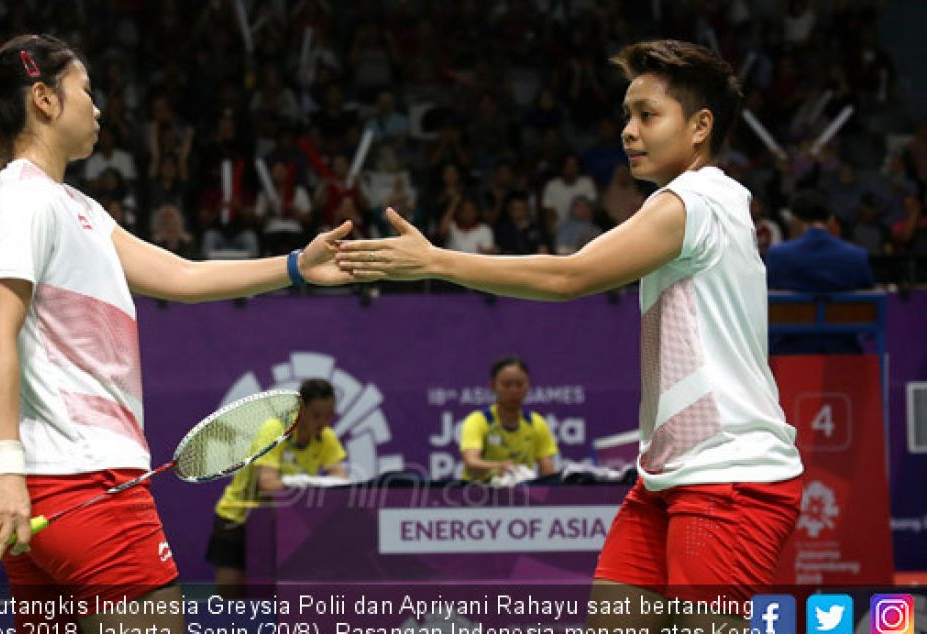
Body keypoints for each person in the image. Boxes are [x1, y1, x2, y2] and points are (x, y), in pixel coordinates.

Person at [338, 40, 804, 629]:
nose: (628, 132)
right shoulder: (711, 201)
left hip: (728, 479)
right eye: (627, 116)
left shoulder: (693, 203)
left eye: (648, 115)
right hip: (665, 478)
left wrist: (436, 261)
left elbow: (569, 275)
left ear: (700, 126)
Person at [0, 34, 355, 630]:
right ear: (44, 99)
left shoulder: (76, 207)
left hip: (50, 501)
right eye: (86, 91)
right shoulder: (22, 199)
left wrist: (296, 266)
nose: (98, 108)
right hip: (88, 483)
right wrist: (5, 468)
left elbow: (182, 275)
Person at [207, 379, 346, 597]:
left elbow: (341, 480)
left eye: (329, 415)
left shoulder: (325, 436)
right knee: (231, 597)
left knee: (273, 595)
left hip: (281, 523)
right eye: (317, 415)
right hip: (239, 517)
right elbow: (267, 484)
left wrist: (316, 485)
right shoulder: (276, 429)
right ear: (301, 411)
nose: (323, 422)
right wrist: (304, 483)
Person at [766, 188, 875, 354]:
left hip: (789, 352)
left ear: (794, 219)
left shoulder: (778, 255)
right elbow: (868, 297)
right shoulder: (857, 257)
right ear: (830, 219)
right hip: (844, 351)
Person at [459, 357, 557, 483]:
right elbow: (471, 462)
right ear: (493, 386)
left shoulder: (536, 422)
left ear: (528, 385)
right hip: (480, 494)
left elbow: (547, 468)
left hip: (524, 494)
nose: (514, 391)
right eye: (506, 385)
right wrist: (499, 467)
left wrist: (549, 494)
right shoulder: (478, 420)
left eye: (520, 384)